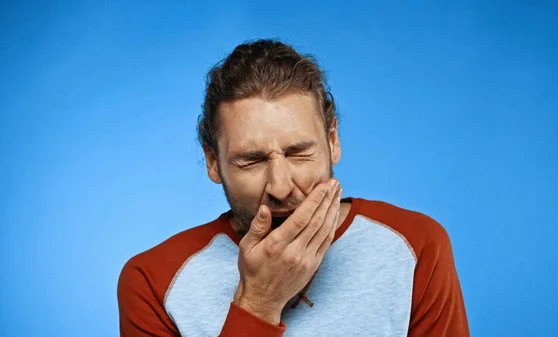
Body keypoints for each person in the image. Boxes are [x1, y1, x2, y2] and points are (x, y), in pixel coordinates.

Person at [117, 39, 470, 337]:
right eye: (252, 160)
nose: (281, 188)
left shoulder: (416, 246)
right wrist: (258, 303)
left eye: (299, 153)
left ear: (332, 141)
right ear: (213, 161)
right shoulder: (153, 281)